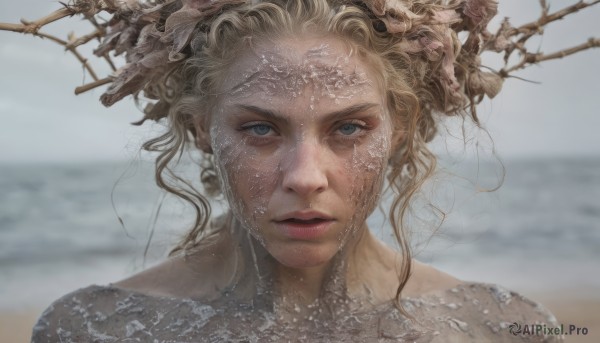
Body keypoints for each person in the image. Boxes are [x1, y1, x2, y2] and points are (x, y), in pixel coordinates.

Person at [9, 0, 579, 341]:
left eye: (349, 128)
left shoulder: (504, 327)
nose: (305, 176)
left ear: (400, 127)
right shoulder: (92, 329)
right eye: (260, 129)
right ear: (201, 127)